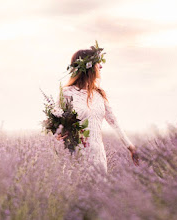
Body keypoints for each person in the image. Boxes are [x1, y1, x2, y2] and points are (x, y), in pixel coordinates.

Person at [56, 41, 139, 173]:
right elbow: (57, 123)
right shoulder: (67, 93)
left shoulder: (99, 94)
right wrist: (61, 132)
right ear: (87, 67)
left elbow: (114, 122)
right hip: (76, 156)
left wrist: (131, 147)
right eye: (97, 63)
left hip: (98, 156)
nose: (100, 66)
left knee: (99, 192)